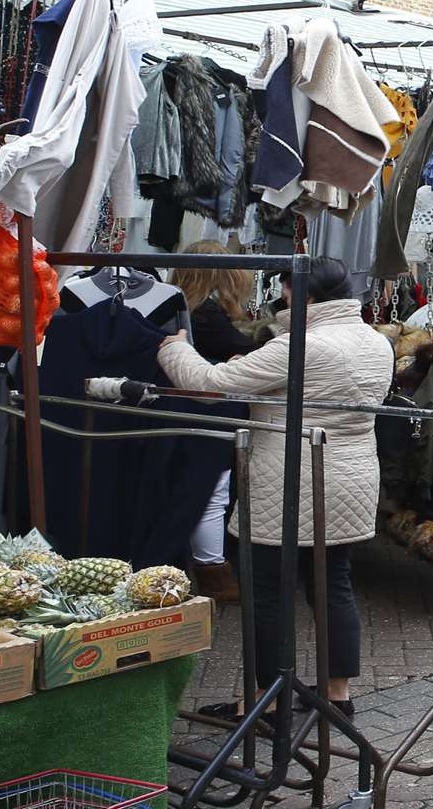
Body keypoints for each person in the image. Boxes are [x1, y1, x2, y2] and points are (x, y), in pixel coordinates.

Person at [158, 257, 393, 718]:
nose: (280, 299)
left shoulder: (300, 344)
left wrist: (175, 347)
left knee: (266, 588)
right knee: (333, 584)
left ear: (303, 296)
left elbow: (210, 383)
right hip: (350, 476)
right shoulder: (374, 340)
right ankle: (336, 694)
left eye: (286, 291)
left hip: (288, 479)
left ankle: (261, 701)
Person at [168, 240, 266, 605]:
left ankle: (208, 569)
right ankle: (215, 575)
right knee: (214, 491)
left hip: (191, 409)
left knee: (203, 489)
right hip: (211, 411)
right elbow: (246, 351)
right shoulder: (207, 314)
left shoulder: (179, 307)